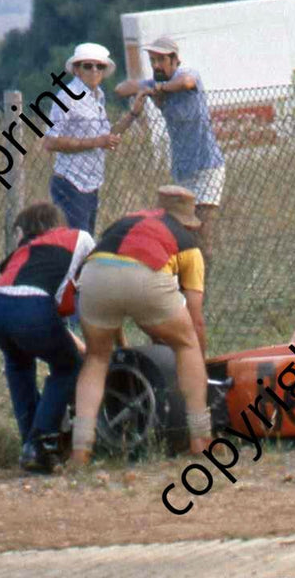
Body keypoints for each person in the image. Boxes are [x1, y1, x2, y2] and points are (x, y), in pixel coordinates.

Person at [70, 185, 211, 466]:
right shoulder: (188, 243)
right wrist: (200, 357)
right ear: (189, 220)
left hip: (95, 275)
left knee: (96, 359)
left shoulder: (124, 222)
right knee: (187, 345)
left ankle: (80, 449)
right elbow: (194, 317)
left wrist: (120, 344)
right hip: (146, 276)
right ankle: (201, 439)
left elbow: (115, 280)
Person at [0, 202, 95, 474]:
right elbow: (93, 279)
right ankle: (40, 443)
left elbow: (32, 305)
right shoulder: (79, 237)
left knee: (18, 365)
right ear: (56, 224)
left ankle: (29, 445)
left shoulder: (23, 253)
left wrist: (76, 343)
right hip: (30, 309)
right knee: (68, 367)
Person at [115, 36, 226, 255]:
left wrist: (160, 89)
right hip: (183, 169)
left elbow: (186, 83)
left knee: (203, 229)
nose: (156, 65)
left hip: (207, 166)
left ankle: (203, 279)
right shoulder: (153, 83)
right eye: (152, 60)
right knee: (182, 232)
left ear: (175, 60)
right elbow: (121, 89)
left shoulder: (187, 76)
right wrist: (143, 89)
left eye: (161, 60)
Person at [43, 42, 121, 234]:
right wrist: (96, 143)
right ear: (77, 69)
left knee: (86, 243)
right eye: (88, 66)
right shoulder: (66, 96)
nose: (94, 71)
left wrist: (133, 114)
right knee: (75, 244)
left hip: (92, 183)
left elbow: (106, 135)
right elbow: (50, 141)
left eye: (99, 66)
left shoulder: (98, 97)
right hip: (71, 183)